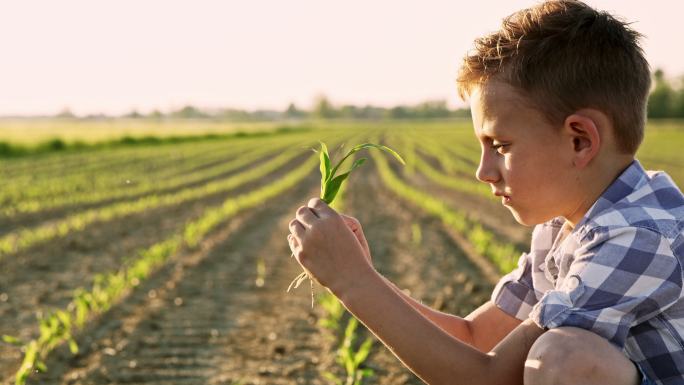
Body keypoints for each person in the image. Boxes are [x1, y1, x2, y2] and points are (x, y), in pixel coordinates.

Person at [286, 1, 684, 384]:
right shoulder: (562, 228)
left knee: (564, 360)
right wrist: (364, 274)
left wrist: (352, 281)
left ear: (579, 141)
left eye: (501, 146)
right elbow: (475, 337)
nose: (483, 171)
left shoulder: (637, 237)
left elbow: (486, 378)